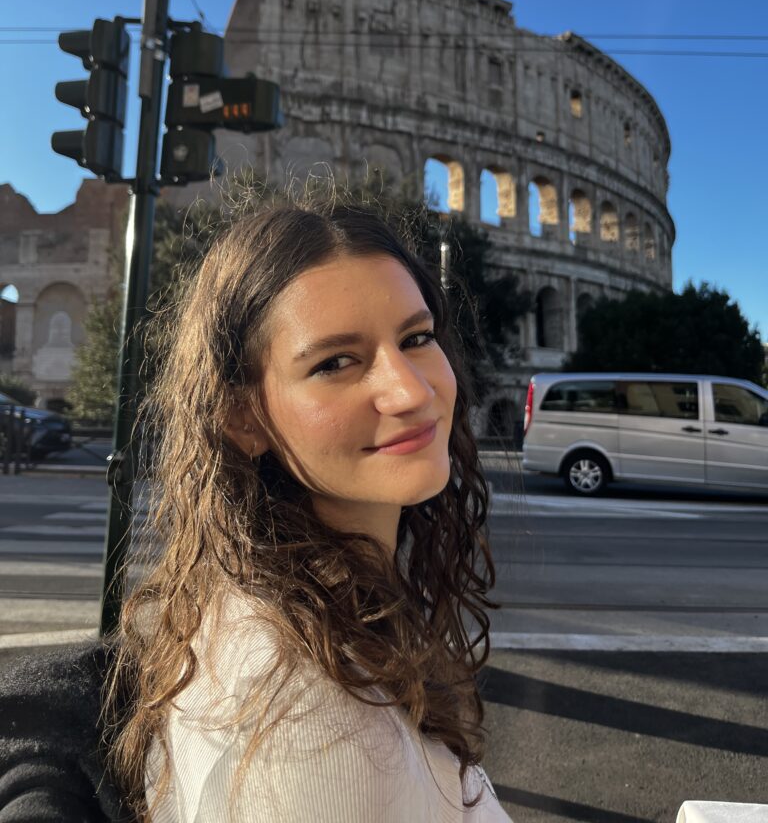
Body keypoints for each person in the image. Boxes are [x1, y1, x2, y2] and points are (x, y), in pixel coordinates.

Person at [103, 191, 512, 822]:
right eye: (335, 362)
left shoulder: (315, 603)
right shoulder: (308, 719)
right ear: (242, 418)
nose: (409, 391)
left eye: (417, 337)